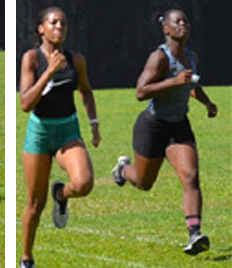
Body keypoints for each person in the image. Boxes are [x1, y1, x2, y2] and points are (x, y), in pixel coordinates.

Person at [111, 9, 217, 256]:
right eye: (176, 21)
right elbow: (140, 92)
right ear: (166, 29)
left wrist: (207, 103)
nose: (183, 24)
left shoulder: (192, 56)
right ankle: (122, 171)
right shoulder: (159, 58)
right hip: (153, 126)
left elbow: (192, 84)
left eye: (185, 21)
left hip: (179, 125)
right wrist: (173, 82)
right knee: (144, 182)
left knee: (190, 176)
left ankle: (195, 234)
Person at [18, 7, 100, 268]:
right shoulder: (32, 58)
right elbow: (26, 103)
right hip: (40, 132)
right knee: (35, 203)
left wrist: (94, 123)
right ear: (41, 28)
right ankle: (26, 258)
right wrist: (49, 72)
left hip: (68, 129)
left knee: (84, 183)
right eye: (53, 23)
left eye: (63, 24)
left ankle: (62, 195)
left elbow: (85, 91)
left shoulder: (76, 60)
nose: (59, 27)